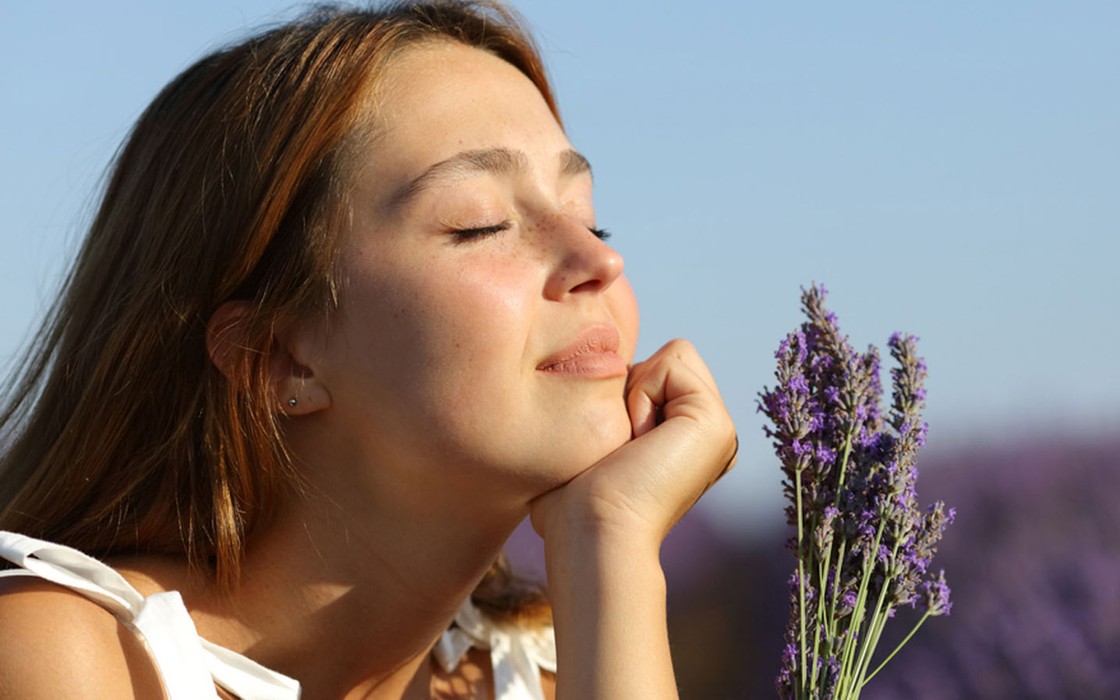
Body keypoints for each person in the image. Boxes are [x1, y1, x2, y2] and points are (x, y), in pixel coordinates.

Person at [0, 1, 737, 698]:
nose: (598, 262)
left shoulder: (544, 677)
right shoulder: (68, 658)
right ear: (280, 358)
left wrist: (611, 542)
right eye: (480, 224)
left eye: (591, 220)